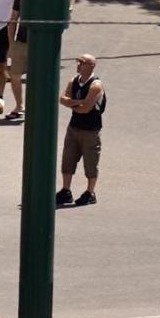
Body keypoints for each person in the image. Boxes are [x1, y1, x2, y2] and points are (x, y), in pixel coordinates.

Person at [58, 53, 105, 206]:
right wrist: (77, 103)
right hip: (74, 127)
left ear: (91, 66)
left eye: (82, 62)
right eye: (78, 61)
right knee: (68, 160)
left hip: (91, 130)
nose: (78, 64)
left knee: (90, 163)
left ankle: (90, 192)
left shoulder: (96, 85)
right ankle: (66, 190)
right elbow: (62, 99)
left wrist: (73, 104)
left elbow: (85, 109)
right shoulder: (74, 80)